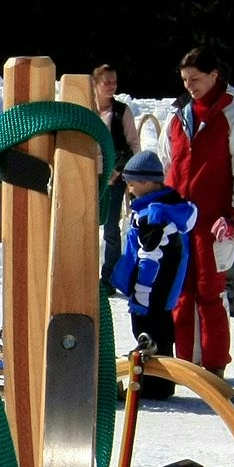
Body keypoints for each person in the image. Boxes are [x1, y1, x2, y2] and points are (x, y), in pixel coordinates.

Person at [161, 46, 234, 378]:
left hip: (212, 221)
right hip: (178, 220)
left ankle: (214, 368)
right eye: (185, 80)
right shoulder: (177, 117)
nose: (190, 85)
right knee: (179, 292)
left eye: (196, 79)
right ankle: (186, 365)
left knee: (209, 294)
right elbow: (167, 164)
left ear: (214, 76)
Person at [110, 150, 194, 400]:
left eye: (132, 184)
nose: (129, 189)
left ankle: (154, 386)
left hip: (151, 289)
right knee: (160, 332)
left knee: (151, 336)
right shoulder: (156, 209)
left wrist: (143, 290)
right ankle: (159, 384)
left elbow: (151, 256)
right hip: (157, 290)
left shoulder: (154, 216)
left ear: (147, 183)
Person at [94, 63, 140, 274]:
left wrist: (119, 171)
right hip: (86, 176)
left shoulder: (122, 111)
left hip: (113, 176)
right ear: (96, 83)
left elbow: (133, 146)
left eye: (115, 81)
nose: (112, 86)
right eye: (107, 82)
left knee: (111, 227)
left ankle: (109, 275)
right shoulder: (85, 110)